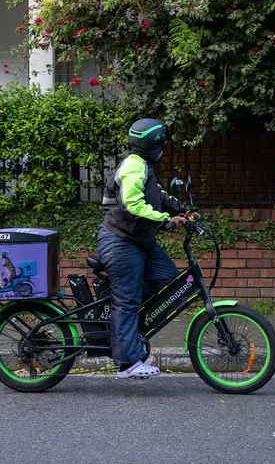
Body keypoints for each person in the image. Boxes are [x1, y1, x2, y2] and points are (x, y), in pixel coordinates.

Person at [97, 118, 189, 380]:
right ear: (153, 145)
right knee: (127, 300)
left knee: (170, 281)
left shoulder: (143, 166)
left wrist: (182, 210)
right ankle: (128, 361)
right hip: (121, 242)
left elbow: (158, 196)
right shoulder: (133, 167)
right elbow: (133, 206)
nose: (164, 149)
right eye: (162, 144)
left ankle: (123, 327)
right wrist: (166, 220)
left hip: (138, 241)